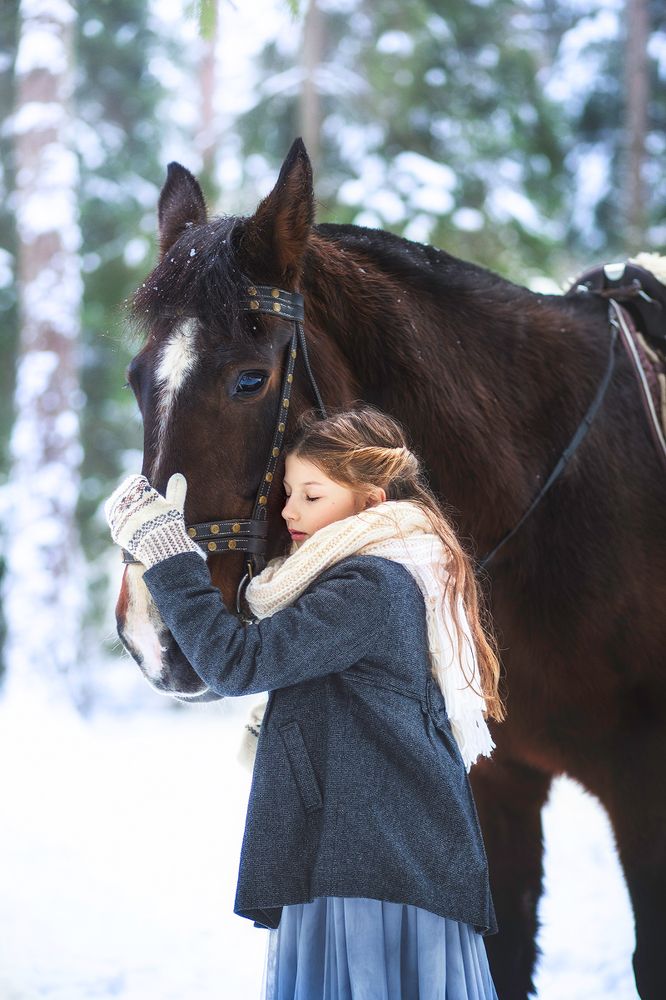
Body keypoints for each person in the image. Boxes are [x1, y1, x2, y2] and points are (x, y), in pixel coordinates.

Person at [105, 403, 506, 1000]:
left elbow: (237, 663)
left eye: (313, 497)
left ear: (370, 501)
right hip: (366, 853)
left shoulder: (369, 585)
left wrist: (169, 557)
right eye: (288, 492)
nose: (290, 511)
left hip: (375, 870)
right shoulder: (368, 575)